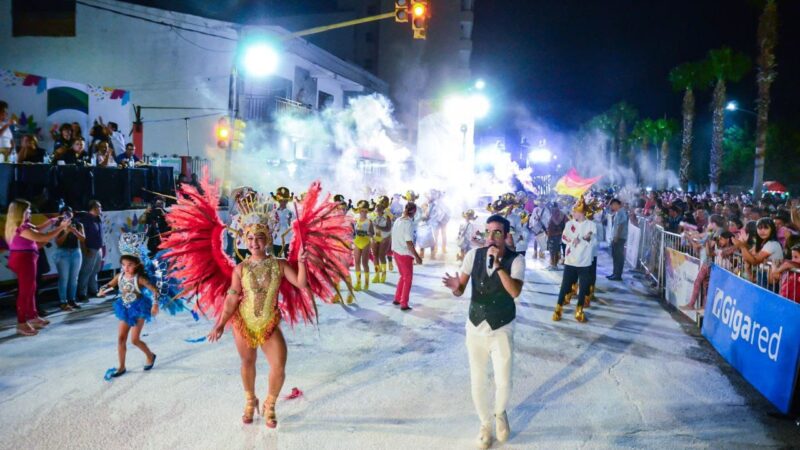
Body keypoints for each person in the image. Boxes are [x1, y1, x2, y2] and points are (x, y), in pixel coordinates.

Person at [207, 200, 308, 428]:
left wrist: (301, 263)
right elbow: (232, 298)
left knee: (279, 366)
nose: (254, 242)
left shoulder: (279, 265)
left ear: (268, 239)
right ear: (244, 240)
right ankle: (250, 400)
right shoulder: (240, 269)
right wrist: (221, 323)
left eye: (259, 237)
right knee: (247, 362)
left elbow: (301, 284)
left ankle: (270, 404)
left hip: (269, 323)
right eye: (250, 238)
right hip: (243, 322)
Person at [442, 214, 524, 449]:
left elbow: (515, 292)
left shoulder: (516, 260)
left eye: (497, 232)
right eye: (488, 232)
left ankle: (500, 413)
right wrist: (456, 288)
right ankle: (485, 424)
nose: (491, 237)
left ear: (506, 235)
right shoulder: (473, 255)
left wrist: (498, 266)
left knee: (504, 381)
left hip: (502, 328)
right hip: (476, 326)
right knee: (477, 379)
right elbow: (461, 289)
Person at [5, 199, 71, 335]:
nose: (29, 212)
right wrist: (61, 227)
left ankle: (33, 316)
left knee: (32, 288)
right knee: (25, 292)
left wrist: (52, 221)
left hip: (28, 259)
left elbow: (38, 229)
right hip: (24, 260)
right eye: (27, 211)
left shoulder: (25, 225)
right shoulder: (21, 229)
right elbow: (42, 237)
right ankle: (22, 323)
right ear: (20, 213)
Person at [97, 235, 159, 378]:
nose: (126, 268)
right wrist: (103, 289)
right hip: (124, 308)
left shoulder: (140, 278)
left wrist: (155, 305)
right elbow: (110, 284)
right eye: (124, 265)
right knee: (121, 338)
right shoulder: (120, 275)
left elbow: (155, 290)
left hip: (139, 308)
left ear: (136, 265)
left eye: (129, 265)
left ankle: (150, 355)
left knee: (135, 340)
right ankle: (121, 366)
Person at [552, 197, 597, 323]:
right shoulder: (569, 224)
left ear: (582, 213)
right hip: (571, 260)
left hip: (585, 262)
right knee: (565, 285)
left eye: (575, 212)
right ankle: (558, 309)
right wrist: (573, 240)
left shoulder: (591, 225)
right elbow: (564, 237)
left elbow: (594, 241)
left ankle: (579, 310)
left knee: (583, 288)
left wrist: (586, 239)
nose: (573, 213)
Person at [391, 202, 423, 311]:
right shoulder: (408, 223)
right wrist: (417, 256)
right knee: (408, 279)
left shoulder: (397, 220)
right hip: (404, 254)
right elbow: (409, 242)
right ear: (413, 212)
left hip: (396, 252)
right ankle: (404, 303)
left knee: (402, 277)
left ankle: (397, 298)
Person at [54, 206, 85, 311]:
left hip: (76, 252)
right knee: (64, 278)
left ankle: (72, 300)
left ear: (73, 214)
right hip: (62, 253)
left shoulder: (78, 224)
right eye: (64, 212)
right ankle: (63, 301)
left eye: (69, 212)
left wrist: (74, 231)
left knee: (74, 278)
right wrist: (66, 232)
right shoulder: (58, 225)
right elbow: (58, 243)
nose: (67, 214)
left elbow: (83, 239)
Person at [77, 200, 104, 301]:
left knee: (95, 271)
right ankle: (82, 293)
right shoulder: (86, 219)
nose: (101, 209)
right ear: (94, 208)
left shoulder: (98, 218)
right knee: (86, 271)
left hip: (98, 248)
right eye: (99, 207)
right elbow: (82, 238)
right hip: (90, 248)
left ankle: (93, 290)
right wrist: (85, 249)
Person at [352, 200, 375, 291]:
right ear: (359, 210)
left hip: (365, 243)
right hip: (357, 242)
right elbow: (353, 232)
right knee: (356, 263)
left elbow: (372, 233)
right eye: (362, 211)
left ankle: (366, 283)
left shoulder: (369, 221)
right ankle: (358, 283)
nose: (364, 213)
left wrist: (369, 233)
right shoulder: (355, 220)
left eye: (365, 211)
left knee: (364, 263)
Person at [369, 195, 393, 284]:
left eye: (380, 208)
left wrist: (378, 227)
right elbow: (370, 228)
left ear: (383, 209)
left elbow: (388, 228)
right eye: (377, 208)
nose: (378, 209)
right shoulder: (372, 217)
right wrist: (370, 234)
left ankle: (383, 274)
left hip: (385, 238)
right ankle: (377, 275)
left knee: (382, 255)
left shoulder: (387, 217)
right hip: (375, 238)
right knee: (375, 256)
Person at [607, 199, 628, 281]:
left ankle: (618, 275)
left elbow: (621, 225)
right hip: (617, 237)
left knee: (618, 257)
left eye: (612, 205)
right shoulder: (618, 213)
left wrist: (616, 236)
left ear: (616, 204)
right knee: (615, 256)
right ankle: (615, 273)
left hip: (619, 238)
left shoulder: (621, 213)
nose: (611, 207)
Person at [271, 187, 294, 258]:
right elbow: (270, 225)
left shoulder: (290, 212)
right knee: (277, 259)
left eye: (285, 200)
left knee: (288, 258)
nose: (283, 202)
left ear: (287, 201)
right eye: (281, 200)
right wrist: (273, 223)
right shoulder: (273, 212)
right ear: (278, 201)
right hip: (276, 240)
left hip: (287, 239)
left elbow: (293, 226)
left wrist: (290, 221)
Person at [545, 202, 566, 270]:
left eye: (552, 208)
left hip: (556, 235)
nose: (551, 209)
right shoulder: (557, 213)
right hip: (552, 234)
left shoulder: (559, 214)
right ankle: (552, 264)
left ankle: (554, 265)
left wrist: (552, 217)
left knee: (555, 250)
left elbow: (557, 222)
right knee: (552, 250)